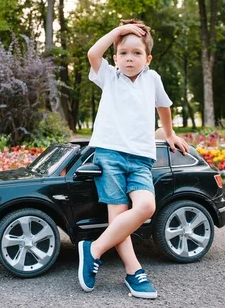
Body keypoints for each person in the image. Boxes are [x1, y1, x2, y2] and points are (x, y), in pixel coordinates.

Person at [79, 19, 190, 299]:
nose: (130, 58)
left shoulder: (152, 79)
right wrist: (117, 32)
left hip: (141, 159)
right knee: (118, 215)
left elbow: (163, 106)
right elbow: (93, 53)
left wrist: (169, 133)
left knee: (145, 207)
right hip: (110, 154)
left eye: (137, 53)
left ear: (148, 58)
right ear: (115, 58)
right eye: (124, 53)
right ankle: (134, 272)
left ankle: (92, 250)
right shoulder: (109, 77)